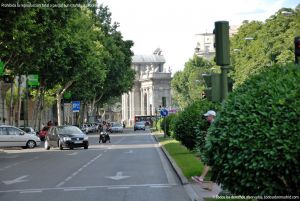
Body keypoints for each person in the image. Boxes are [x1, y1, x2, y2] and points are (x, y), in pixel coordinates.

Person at [192, 110, 216, 183]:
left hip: (214, 146)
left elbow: (214, 135)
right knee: (211, 163)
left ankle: (201, 178)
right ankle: (209, 184)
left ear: (211, 116)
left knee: (209, 162)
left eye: (207, 116)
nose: (206, 117)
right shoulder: (213, 123)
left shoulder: (214, 124)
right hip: (214, 146)